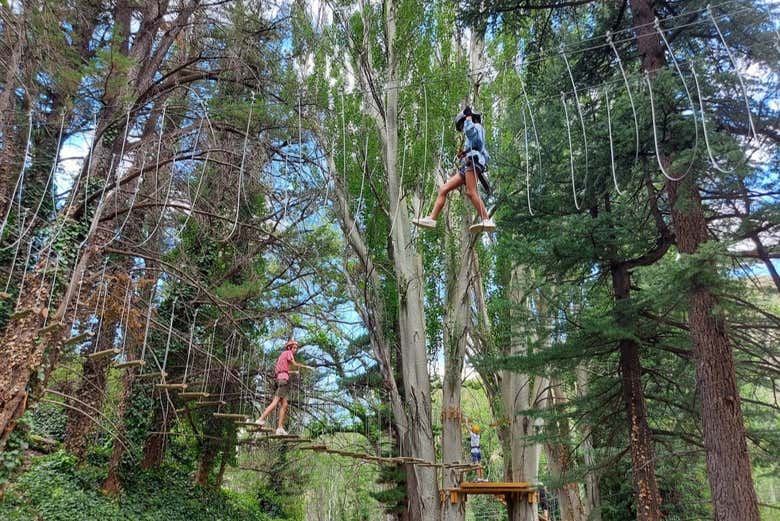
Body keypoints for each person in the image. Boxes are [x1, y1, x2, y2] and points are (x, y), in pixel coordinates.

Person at [412, 106, 496, 233]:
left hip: (473, 161)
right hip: (467, 163)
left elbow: (476, 139)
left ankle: (486, 219)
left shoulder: (477, 127)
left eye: (463, 125)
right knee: (443, 189)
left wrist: (468, 118)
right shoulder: (471, 130)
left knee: (471, 191)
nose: (463, 129)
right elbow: (473, 142)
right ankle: (432, 218)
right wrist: (464, 153)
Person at [255, 339, 313, 435]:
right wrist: (307, 367)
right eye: (294, 348)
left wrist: (293, 372)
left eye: (296, 348)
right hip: (284, 381)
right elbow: (294, 364)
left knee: (284, 405)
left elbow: (282, 370)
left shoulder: (282, 356)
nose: (295, 350)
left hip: (281, 379)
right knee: (275, 402)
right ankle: (260, 419)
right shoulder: (288, 352)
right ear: (289, 347)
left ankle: (280, 428)